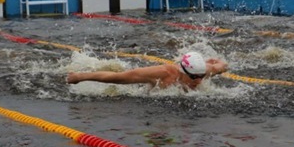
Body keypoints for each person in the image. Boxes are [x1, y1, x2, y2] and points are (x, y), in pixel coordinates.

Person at [67, 51, 227, 91]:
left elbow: (223, 65)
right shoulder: (163, 73)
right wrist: (81, 76)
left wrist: (214, 62)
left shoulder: (204, 70)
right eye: (194, 77)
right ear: (183, 71)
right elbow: (117, 78)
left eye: (201, 76)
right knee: (120, 74)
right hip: (148, 87)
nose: (199, 80)